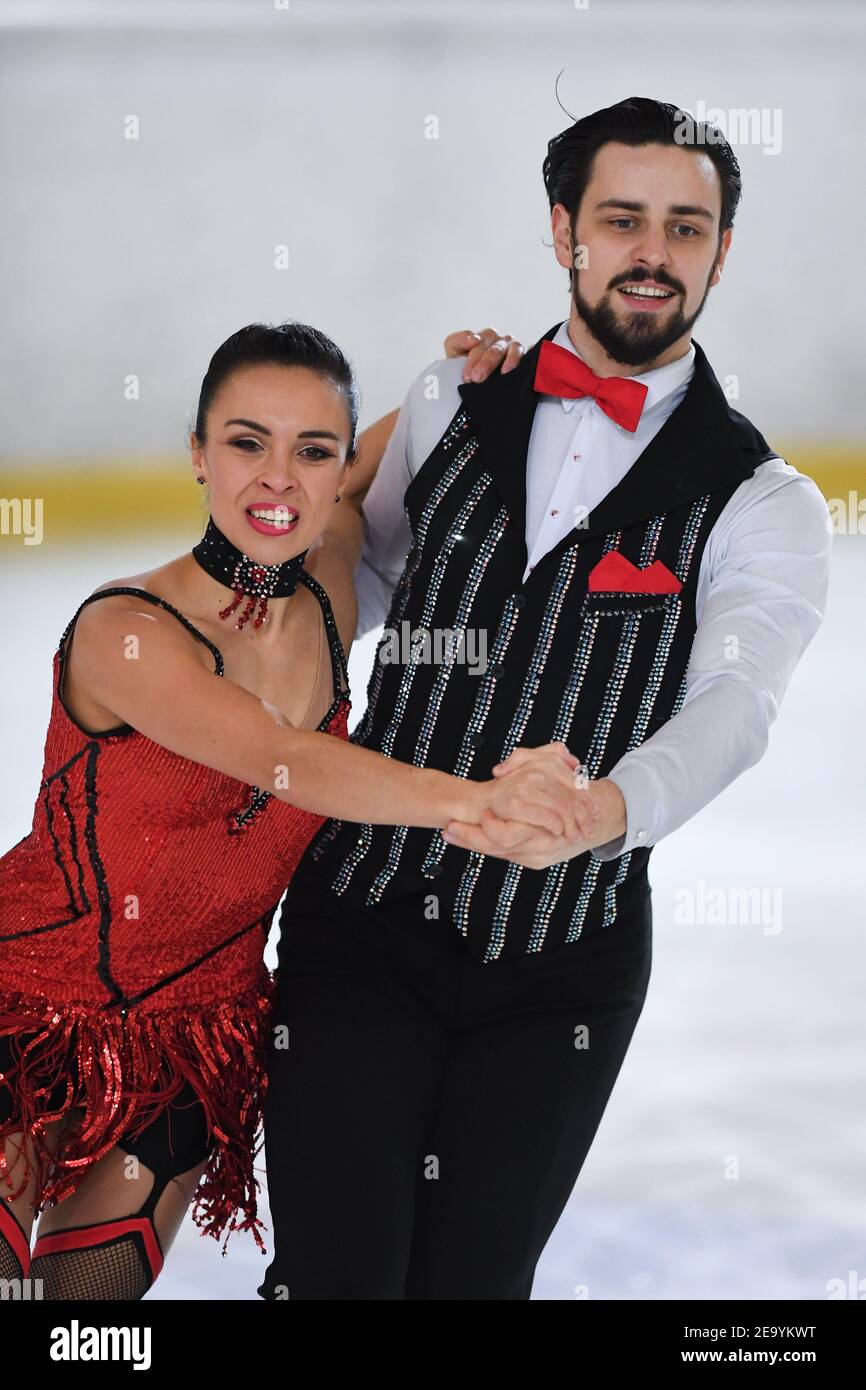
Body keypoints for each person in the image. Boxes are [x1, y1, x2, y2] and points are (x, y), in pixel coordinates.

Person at [257, 97, 833, 1300]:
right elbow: (347, 577)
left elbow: (735, 703)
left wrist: (601, 807)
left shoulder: (761, 498)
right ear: (562, 229)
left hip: (560, 961)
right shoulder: (448, 397)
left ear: (720, 251)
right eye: (621, 219)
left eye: (685, 229)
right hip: (361, 914)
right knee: (338, 1280)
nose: (651, 253)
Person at [0, 321, 591, 1300]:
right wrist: (479, 803)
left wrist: (477, 373)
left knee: (77, 1322)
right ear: (198, 454)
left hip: (192, 1044)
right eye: (245, 443)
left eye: (309, 450)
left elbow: (369, 473)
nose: (278, 479)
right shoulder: (124, 632)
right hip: (23, 1007)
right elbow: (282, 759)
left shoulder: (329, 591)